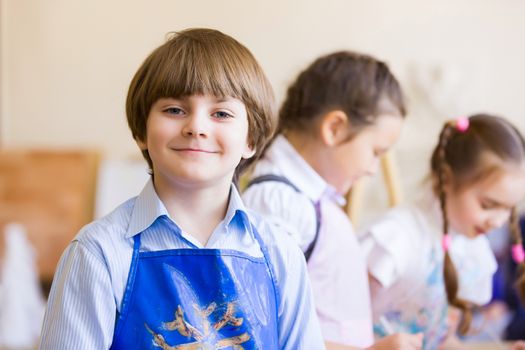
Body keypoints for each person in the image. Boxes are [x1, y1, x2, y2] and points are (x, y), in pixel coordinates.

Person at [39, 28, 324, 349]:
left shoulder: (279, 253)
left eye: (221, 113)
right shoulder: (98, 253)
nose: (196, 127)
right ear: (141, 131)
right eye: (175, 110)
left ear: (251, 140)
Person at [242, 51, 422, 350]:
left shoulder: (313, 199)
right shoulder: (279, 202)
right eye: (376, 152)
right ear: (334, 128)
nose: (372, 169)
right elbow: (262, 330)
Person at [359, 114, 525, 349]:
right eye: (488, 205)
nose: (498, 221)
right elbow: (332, 326)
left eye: (508, 209)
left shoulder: (473, 253)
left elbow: (444, 343)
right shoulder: (396, 238)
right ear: (446, 179)